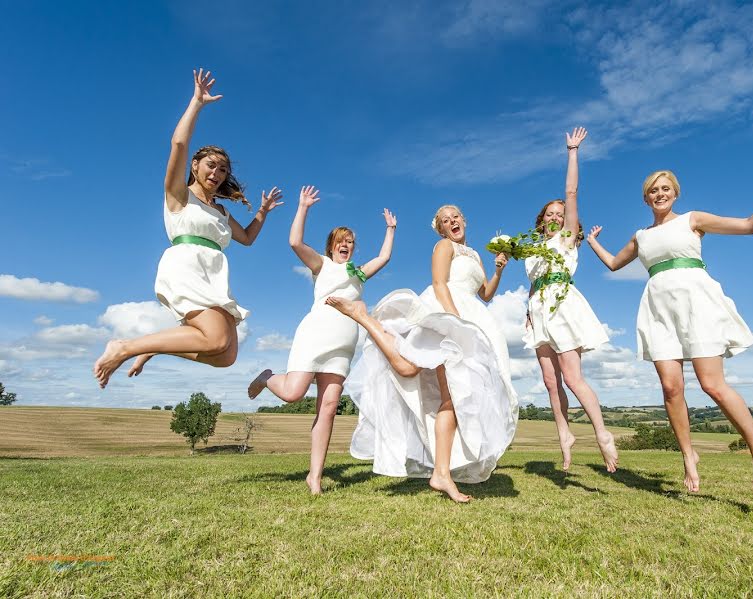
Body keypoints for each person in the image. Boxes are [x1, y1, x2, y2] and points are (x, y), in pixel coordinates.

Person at [586, 159, 753, 497]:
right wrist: (593, 241)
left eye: (665, 188)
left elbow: (749, 225)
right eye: (653, 190)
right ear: (646, 199)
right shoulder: (641, 236)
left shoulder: (692, 220)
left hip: (696, 301)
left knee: (712, 384)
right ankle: (688, 455)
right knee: (670, 388)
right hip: (658, 308)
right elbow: (613, 263)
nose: (660, 193)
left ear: (675, 194)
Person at [93, 69, 283, 388]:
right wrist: (196, 103)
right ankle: (124, 346)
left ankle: (152, 348)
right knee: (214, 339)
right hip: (186, 265)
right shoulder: (179, 195)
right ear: (196, 166)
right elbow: (179, 143)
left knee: (225, 355)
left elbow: (247, 239)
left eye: (223, 169)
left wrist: (262, 212)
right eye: (212, 165)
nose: (218, 173)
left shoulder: (220, 210)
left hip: (214, 272)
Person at [326, 205, 518, 502]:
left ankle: (441, 473)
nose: (452, 221)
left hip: (474, 312)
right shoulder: (444, 246)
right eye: (445, 220)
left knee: (420, 376)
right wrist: (457, 324)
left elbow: (486, 294)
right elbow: (440, 284)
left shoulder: (476, 255)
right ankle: (364, 317)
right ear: (441, 229)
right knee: (435, 384)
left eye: (455, 217)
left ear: (464, 220)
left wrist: (497, 270)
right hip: (448, 310)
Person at [247, 185, 396, 494]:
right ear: (331, 246)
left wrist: (390, 229)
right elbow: (294, 242)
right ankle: (267, 377)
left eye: (351, 242)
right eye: (342, 241)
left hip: (343, 345)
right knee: (293, 393)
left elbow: (384, 256)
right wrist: (303, 207)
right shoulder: (322, 265)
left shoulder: (358, 274)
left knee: (328, 407)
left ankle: (315, 476)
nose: (347, 245)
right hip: (315, 335)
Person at [524, 127, 617, 473]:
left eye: (560, 213)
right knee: (551, 381)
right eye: (550, 213)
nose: (555, 216)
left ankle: (603, 434)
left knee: (572, 377)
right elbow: (534, 284)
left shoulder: (566, 240)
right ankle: (565, 436)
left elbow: (571, 191)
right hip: (539, 310)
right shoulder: (533, 249)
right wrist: (528, 311)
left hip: (562, 303)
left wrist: (572, 151)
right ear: (541, 219)